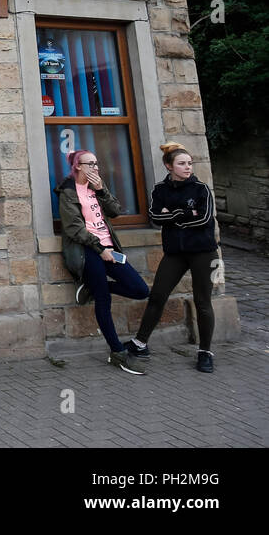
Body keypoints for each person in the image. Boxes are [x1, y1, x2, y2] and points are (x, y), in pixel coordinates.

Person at [124, 143, 219, 372]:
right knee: (157, 296)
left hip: (203, 253)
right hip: (175, 253)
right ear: (169, 166)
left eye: (189, 163)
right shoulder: (160, 190)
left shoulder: (201, 189)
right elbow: (156, 217)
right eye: (182, 163)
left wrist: (172, 215)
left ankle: (205, 352)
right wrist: (186, 213)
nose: (188, 167)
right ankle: (140, 343)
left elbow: (204, 219)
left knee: (202, 302)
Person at [59, 149, 150, 374]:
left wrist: (101, 190)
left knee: (140, 290)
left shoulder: (97, 186)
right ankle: (117, 353)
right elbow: (73, 228)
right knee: (104, 299)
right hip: (87, 249)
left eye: (97, 163)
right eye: (90, 164)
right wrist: (100, 249)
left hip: (110, 247)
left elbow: (115, 211)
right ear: (78, 166)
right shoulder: (68, 192)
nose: (96, 168)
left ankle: (95, 287)